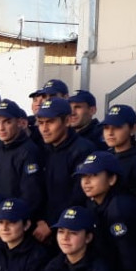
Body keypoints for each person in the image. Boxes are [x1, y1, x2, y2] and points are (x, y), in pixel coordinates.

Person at [34, 97, 94, 243]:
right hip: (44, 229)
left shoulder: (83, 150)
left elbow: (79, 194)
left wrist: (51, 222)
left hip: (72, 232)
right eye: (41, 123)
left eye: (50, 122)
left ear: (67, 121)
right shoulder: (44, 149)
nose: (44, 129)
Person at [0, 100, 45, 223]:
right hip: (1, 221)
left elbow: (31, 197)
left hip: (18, 223)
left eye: (7, 122)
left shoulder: (28, 151)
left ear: (19, 122)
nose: (1, 128)